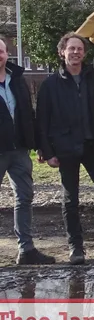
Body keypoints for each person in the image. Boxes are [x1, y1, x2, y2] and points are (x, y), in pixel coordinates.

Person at [36, 33, 94, 264]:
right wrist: (47, 152)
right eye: (71, 49)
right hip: (65, 148)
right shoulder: (50, 85)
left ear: (84, 53)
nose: (75, 52)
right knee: (70, 200)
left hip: (91, 146)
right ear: (62, 52)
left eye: (79, 49)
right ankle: (75, 249)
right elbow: (42, 121)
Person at [0, 37, 55, 265]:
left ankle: (26, 250)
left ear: (6, 54)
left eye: (1, 51)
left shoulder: (17, 79)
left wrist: (40, 144)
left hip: (20, 151)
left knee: (24, 198)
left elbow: (28, 114)